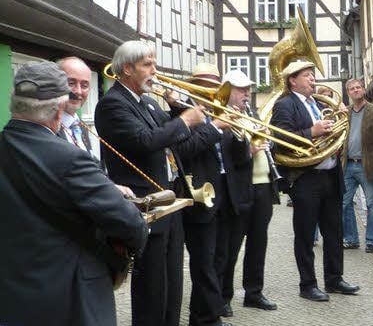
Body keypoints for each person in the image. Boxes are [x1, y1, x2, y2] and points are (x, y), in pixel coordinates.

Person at [0, 61, 148, 326]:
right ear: (58, 108)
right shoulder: (71, 159)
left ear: (14, 101)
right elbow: (131, 225)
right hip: (70, 299)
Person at [95, 41, 224, 326]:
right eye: (148, 65)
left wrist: (179, 108)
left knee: (172, 287)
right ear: (127, 69)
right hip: (147, 207)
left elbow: (169, 129)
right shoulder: (113, 103)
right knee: (152, 290)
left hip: (171, 203)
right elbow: (146, 142)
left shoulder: (148, 101)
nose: (155, 71)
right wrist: (185, 120)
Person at [270, 60, 359, 302]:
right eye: (307, 76)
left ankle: (334, 279)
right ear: (293, 80)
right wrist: (312, 131)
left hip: (330, 175)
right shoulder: (284, 105)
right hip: (306, 179)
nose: (313, 79)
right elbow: (279, 138)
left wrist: (335, 123)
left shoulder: (318, 103)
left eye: (312, 75)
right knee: (306, 235)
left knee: (334, 231)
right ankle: (307, 284)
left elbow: (335, 131)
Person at [177, 63, 243, 326]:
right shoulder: (182, 113)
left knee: (219, 261)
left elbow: (235, 158)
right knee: (204, 264)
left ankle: (204, 314)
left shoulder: (219, 111)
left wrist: (240, 135)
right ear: (195, 85)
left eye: (217, 84)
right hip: (200, 197)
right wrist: (216, 126)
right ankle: (207, 319)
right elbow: (185, 150)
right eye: (207, 84)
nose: (214, 89)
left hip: (224, 197)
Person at [219, 69, 278, 315]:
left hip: (263, 184)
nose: (247, 93)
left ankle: (254, 292)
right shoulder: (222, 117)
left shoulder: (251, 114)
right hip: (240, 188)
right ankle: (224, 296)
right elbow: (226, 154)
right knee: (232, 244)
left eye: (248, 89)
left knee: (258, 242)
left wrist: (268, 140)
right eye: (241, 89)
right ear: (227, 91)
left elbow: (265, 142)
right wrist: (250, 151)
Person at [56, 56, 135, 197]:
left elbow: (89, 169)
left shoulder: (77, 125)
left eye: (85, 85)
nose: (78, 92)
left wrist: (110, 186)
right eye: (71, 83)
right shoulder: (46, 127)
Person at [341, 78, 373, 253]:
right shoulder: (345, 113)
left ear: (363, 90)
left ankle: (370, 241)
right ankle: (351, 239)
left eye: (358, 87)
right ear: (348, 93)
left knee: (372, 204)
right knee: (344, 203)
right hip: (347, 165)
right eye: (352, 89)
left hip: (367, 165)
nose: (356, 90)